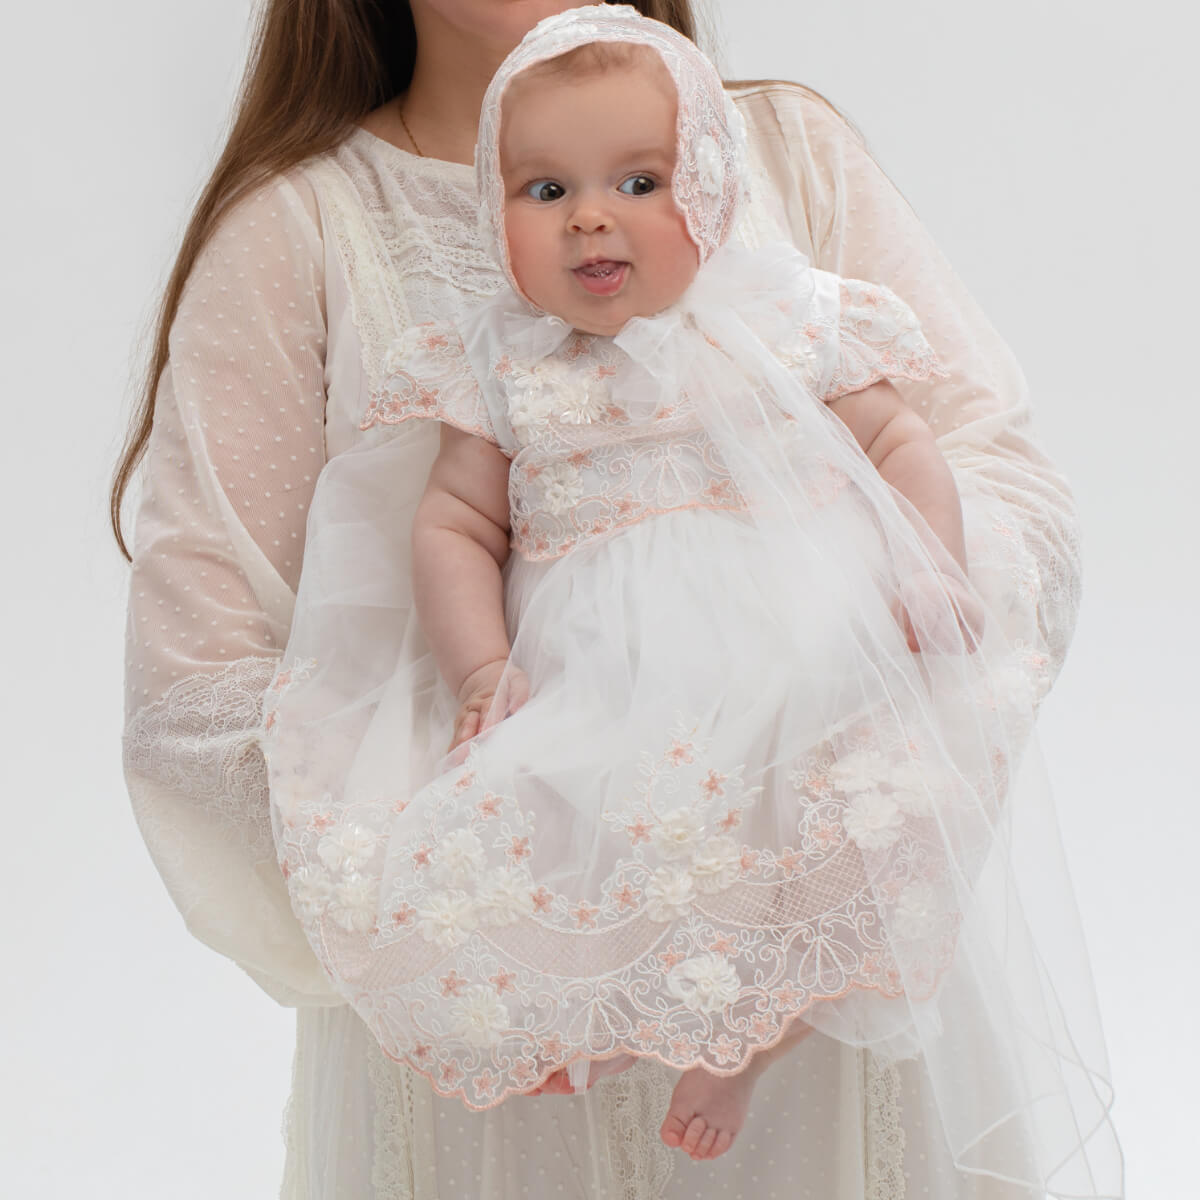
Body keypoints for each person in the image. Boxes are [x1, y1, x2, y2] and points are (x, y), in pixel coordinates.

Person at [115, 1, 1121, 1196]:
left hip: (834, 1054)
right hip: (500, 1087)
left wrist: (876, 709)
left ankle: (765, 1025)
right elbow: (196, 700)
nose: (595, 217)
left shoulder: (787, 153)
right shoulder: (304, 231)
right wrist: (482, 913)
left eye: (639, 181)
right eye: (542, 193)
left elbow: (990, 473)